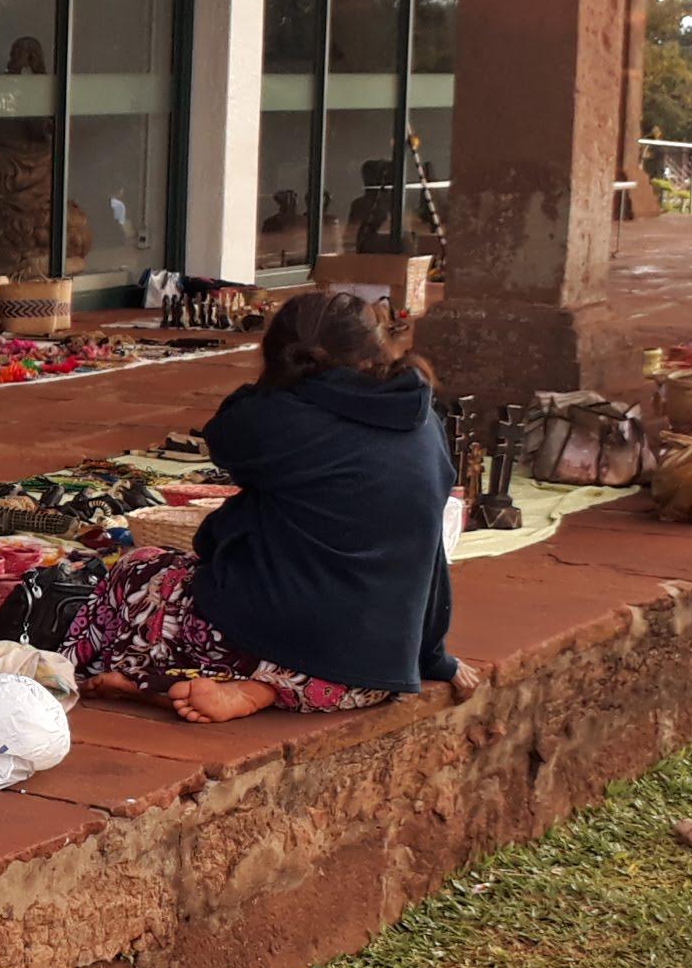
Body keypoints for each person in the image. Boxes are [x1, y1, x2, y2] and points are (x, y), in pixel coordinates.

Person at [68, 290, 470, 723]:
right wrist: (432, 656)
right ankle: (261, 690)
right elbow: (428, 551)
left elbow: (226, 432)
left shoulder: (281, 419)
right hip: (375, 675)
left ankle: (120, 673)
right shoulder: (422, 418)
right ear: (374, 349)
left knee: (139, 571)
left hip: (294, 650)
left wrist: (276, 385)